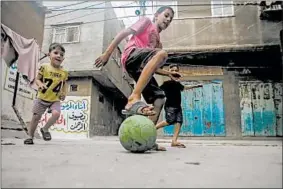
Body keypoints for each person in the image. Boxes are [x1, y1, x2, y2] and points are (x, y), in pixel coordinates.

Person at [95, 6, 181, 151]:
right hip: (131, 57)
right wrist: (107, 54)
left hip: (140, 69)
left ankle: (149, 138)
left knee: (159, 98)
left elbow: (153, 66)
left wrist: (168, 74)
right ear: (156, 15)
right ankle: (134, 96)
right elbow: (124, 33)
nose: (168, 20)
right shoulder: (146, 22)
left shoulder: (158, 45)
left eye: (170, 19)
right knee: (161, 54)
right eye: (166, 16)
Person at [24, 43, 68, 145]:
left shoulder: (64, 72)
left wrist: (63, 93)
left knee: (56, 114)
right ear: (49, 55)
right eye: (56, 53)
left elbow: (64, 83)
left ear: (63, 59)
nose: (58, 56)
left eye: (61, 55)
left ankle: (45, 129)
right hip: (42, 98)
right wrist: (40, 84)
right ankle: (30, 137)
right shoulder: (44, 67)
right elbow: (37, 79)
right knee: (36, 117)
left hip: (54, 99)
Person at [156, 64, 203, 148]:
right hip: (170, 106)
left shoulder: (178, 84)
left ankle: (174, 141)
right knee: (169, 121)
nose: (174, 72)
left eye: (176, 70)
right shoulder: (167, 83)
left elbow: (184, 88)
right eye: (172, 70)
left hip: (178, 106)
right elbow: (158, 89)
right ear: (169, 72)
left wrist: (196, 86)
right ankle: (153, 128)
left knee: (179, 122)